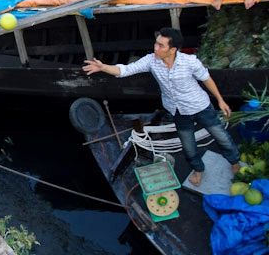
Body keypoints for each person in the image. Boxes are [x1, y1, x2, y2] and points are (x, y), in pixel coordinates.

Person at [82, 27, 240, 187]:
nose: (155, 48)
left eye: (161, 46)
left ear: (172, 50)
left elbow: (206, 78)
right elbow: (126, 70)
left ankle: (234, 162)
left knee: (221, 137)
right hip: (178, 111)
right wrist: (103, 67)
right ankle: (198, 169)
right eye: (156, 44)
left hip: (201, 106)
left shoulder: (190, 62)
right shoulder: (152, 61)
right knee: (188, 146)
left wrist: (220, 100)